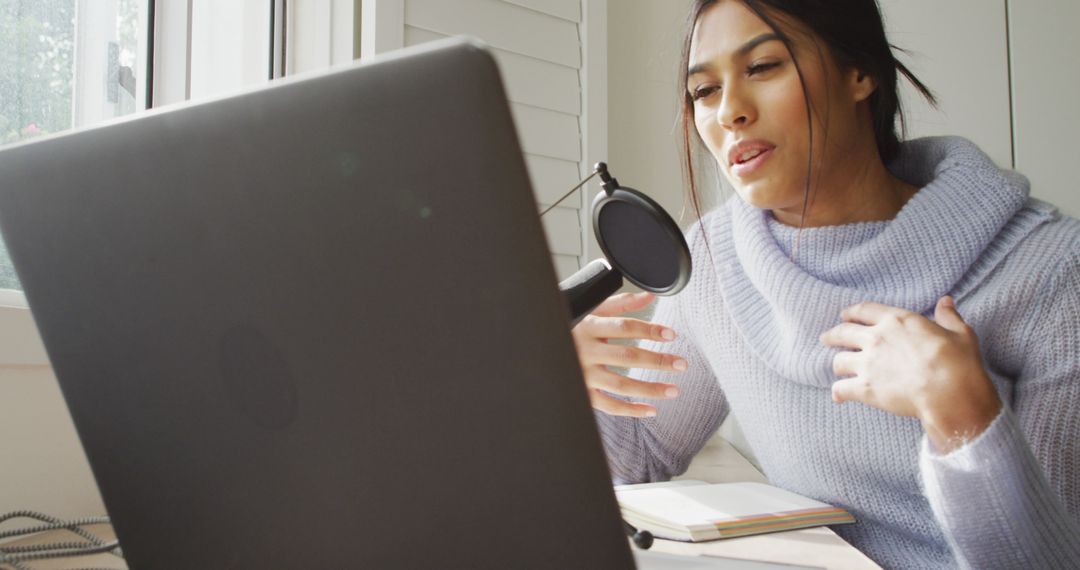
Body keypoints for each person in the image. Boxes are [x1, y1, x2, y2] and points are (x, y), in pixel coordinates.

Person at [574, 1, 1080, 568]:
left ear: (859, 73)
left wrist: (963, 415)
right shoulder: (714, 263)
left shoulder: (1053, 268)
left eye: (763, 67)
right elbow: (638, 456)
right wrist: (558, 387)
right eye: (704, 91)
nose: (729, 112)